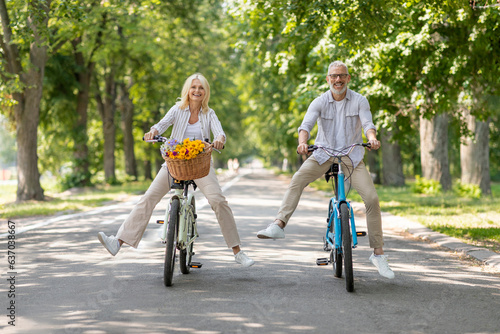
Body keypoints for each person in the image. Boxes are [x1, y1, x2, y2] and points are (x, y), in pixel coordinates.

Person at [98, 73, 254, 267]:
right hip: (175, 163)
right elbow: (161, 125)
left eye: (201, 88)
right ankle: (118, 242)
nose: (197, 91)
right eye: (193, 87)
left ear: (206, 92)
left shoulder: (209, 113)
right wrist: (153, 131)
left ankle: (237, 251)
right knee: (148, 198)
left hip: (201, 166)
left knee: (218, 201)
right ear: (187, 90)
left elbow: (219, 132)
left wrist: (220, 140)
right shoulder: (177, 110)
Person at [257, 61, 394, 279]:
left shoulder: (359, 100)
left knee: (371, 198)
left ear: (348, 78)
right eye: (334, 76)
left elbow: (368, 124)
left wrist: (372, 138)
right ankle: (279, 224)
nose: (338, 80)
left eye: (342, 76)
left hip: (351, 156)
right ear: (328, 79)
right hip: (323, 154)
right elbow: (306, 126)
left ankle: (378, 254)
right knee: (298, 179)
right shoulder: (320, 101)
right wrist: (303, 142)